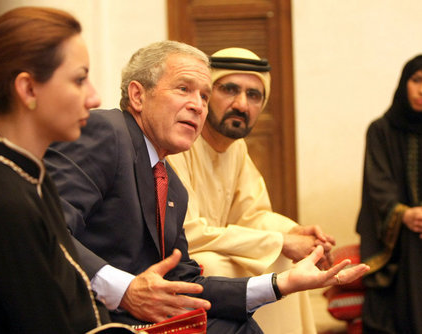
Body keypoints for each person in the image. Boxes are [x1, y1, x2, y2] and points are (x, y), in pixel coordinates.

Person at [45, 40, 370, 333]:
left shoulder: (171, 185)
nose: (198, 105)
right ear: (137, 95)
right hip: (86, 314)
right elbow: (45, 227)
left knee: (240, 325)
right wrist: (124, 289)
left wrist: (282, 283)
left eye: (203, 94)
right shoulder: (107, 131)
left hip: (141, 315)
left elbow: (185, 278)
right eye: (184, 89)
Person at [0, 6, 112, 333]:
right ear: (28, 89)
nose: (94, 97)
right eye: (79, 79)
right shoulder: (1, 203)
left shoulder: (27, 177)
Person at [166, 47, 335, 334]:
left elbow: (253, 215)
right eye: (230, 90)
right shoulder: (179, 141)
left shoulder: (237, 149)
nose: (242, 105)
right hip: (172, 262)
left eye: (253, 95)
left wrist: (295, 234)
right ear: (206, 96)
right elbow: (188, 234)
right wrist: (279, 241)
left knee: (287, 259)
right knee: (210, 265)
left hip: (214, 247)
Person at [356, 54, 422, 333]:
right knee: (416, 237)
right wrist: (405, 214)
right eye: (417, 80)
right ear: (405, 83)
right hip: (391, 228)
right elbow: (378, 186)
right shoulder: (379, 130)